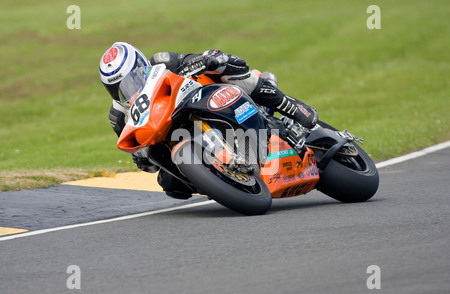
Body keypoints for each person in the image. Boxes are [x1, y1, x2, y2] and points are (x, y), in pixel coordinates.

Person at [99, 42, 318, 199]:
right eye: (116, 88)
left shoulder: (161, 62)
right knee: (171, 186)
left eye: (132, 78)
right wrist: (143, 159)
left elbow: (190, 60)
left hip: (209, 98)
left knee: (224, 67)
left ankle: (291, 107)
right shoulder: (118, 116)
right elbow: (146, 165)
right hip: (173, 135)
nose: (126, 89)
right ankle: (224, 180)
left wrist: (206, 59)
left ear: (141, 63)